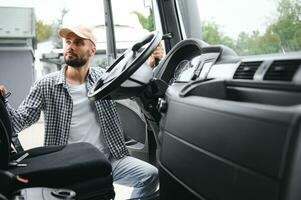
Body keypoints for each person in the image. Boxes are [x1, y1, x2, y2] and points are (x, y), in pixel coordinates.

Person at [0, 24, 164, 198]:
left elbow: (132, 84)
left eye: (78, 43)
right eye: (68, 42)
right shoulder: (46, 84)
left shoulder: (105, 80)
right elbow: (18, 122)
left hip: (111, 159)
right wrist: (3, 102)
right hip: (69, 163)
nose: (70, 46)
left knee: (150, 175)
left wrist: (149, 65)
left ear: (92, 50)